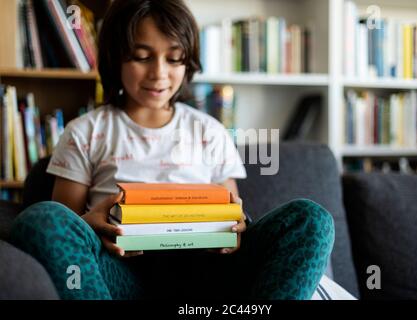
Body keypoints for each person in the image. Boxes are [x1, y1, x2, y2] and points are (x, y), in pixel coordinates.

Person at [10, 0, 334, 300]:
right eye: (142, 56)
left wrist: (236, 228)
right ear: (115, 57)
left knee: (311, 218)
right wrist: (90, 223)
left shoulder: (209, 130)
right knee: (42, 219)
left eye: (174, 58)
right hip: (121, 273)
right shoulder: (86, 131)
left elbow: (232, 215)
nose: (159, 73)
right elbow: (65, 222)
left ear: (187, 61)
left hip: (208, 275)